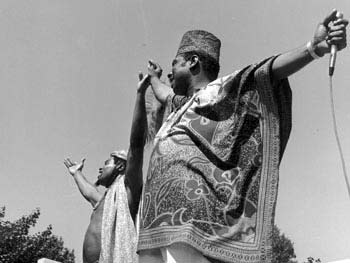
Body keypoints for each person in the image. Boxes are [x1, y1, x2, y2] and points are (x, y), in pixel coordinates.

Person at [138, 10, 348, 263]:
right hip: (154, 225)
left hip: (188, 225)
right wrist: (152, 78)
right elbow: (163, 94)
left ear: (193, 62)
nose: (171, 73)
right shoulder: (182, 103)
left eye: (176, 63)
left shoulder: (219, 90)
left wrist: (314, 48)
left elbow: (265, 73)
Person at [63, 72, 150, 263]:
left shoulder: (129, 189)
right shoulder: (105, 200)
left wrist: (140, 95)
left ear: (120, 165)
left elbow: (136, 146)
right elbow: (88, 192)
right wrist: (76, 173)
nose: (100, 169)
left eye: (105, 164)